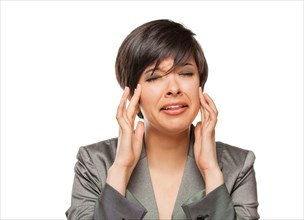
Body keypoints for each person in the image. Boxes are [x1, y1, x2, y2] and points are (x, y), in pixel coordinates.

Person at [66, 19, 259, 220]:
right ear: (132, 94)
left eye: (185, 73)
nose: (174, 88)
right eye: (154, 77)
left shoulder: (237, 167)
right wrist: (120, 168)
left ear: (200, 84)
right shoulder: (95, 164)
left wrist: (211, 172)